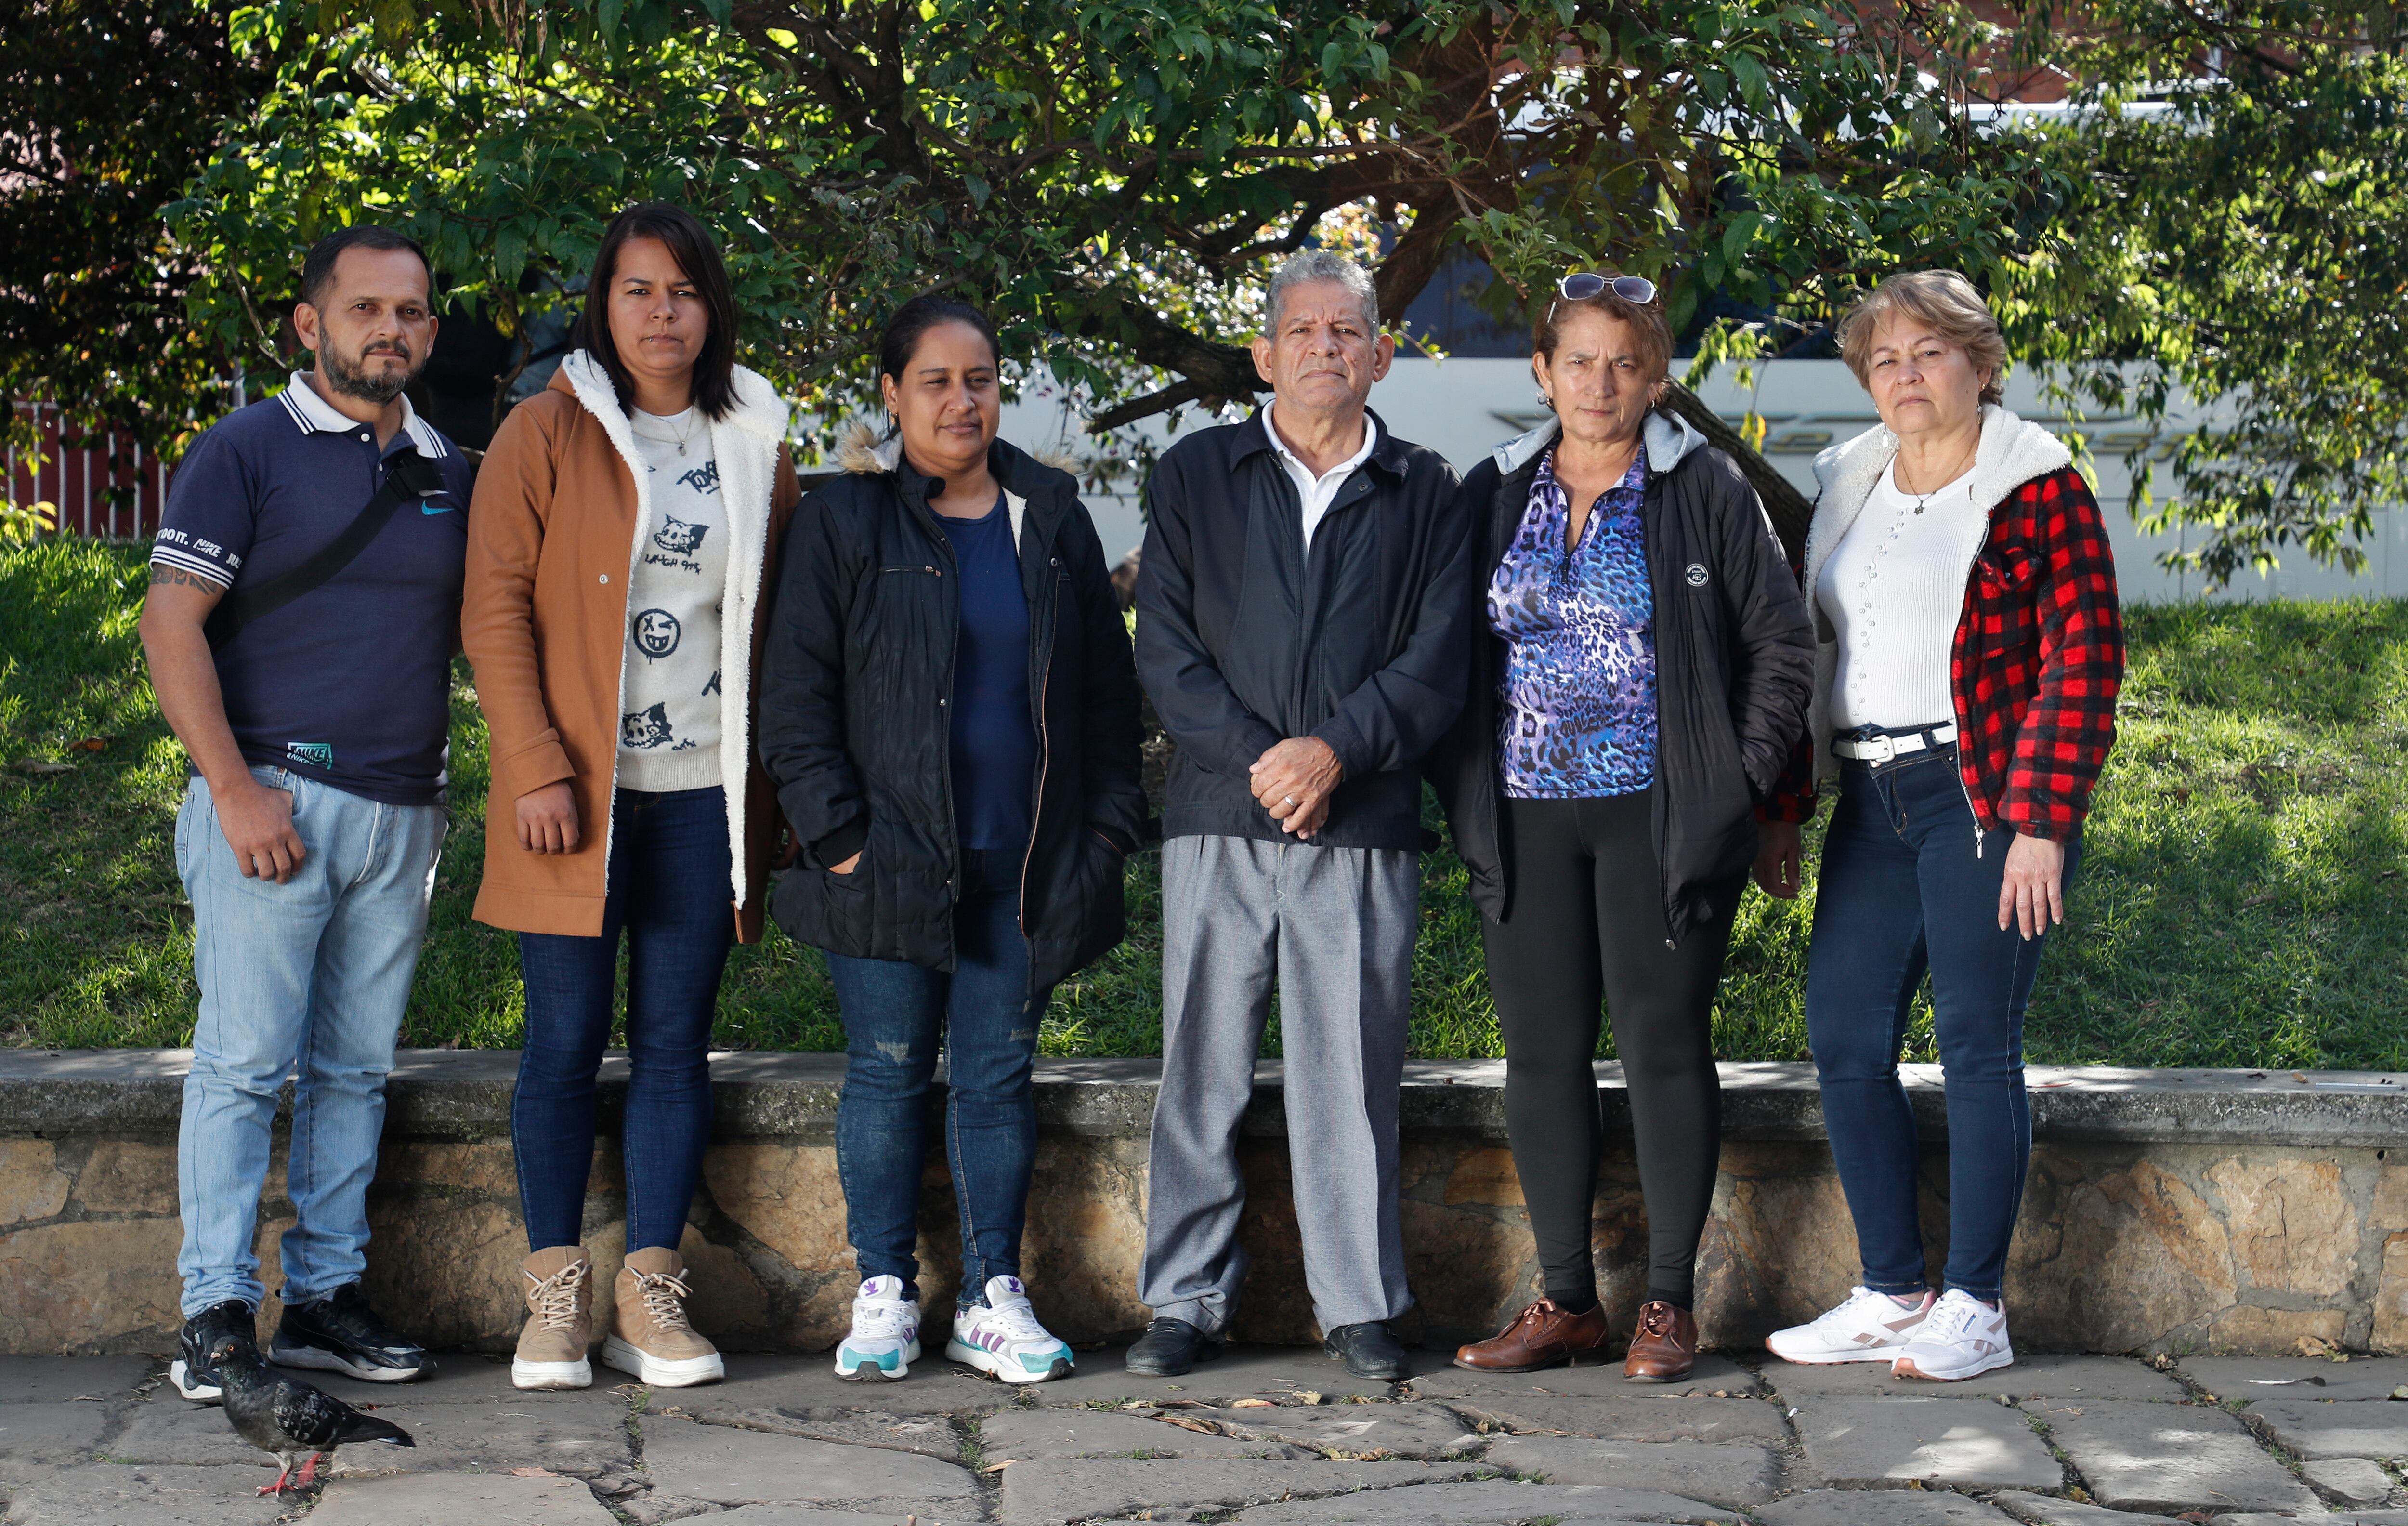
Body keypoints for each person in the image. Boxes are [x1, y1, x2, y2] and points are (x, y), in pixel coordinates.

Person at [1432, 272, 1814, 1381]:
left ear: (1655, 379)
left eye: (1624, 363)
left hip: (1659, 814)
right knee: (1541, 1054)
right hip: (1522, 813)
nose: (1599, 383)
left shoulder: (1703, 488)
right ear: (1542, 373)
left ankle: (1666, 1305)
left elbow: (1782, 644)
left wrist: (1731, 782)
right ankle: (1564, 1302)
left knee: (1661, 1046)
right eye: (1578, 361)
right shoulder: (1493, 492)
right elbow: (1444, 648)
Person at [758, 296, 1145, 1384]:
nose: (960, 401)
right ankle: (884, 1289)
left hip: (1024, 862)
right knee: (885, 1073)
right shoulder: (844, 519)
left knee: (995, 1076)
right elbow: (794, 698)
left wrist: (1102, 837)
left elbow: (1107, 698)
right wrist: (841, 839)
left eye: (980, 379)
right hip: (884, 860)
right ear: (893, 394)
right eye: (935, 380)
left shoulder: (1050, 518)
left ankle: (989, 1296)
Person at [1757, 270, 2122, 1381]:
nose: (1904, 374)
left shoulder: (2035, 486)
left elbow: (2083, 656)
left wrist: (2040, 821)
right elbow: (1810, 650)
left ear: (1980, 363)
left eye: (1928, 352)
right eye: (1884, 359)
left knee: (1975, 1041)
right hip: (1870, 797)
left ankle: (1975, 1306)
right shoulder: (1850, 482)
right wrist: (1786, 804)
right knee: (1844, 1036)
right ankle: (1890, 1290)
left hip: (1983, 794)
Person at [462, 202, 800, 1391]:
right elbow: (493, 610)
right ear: (603, 304)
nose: (663, 313)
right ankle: (553, 1296)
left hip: (705, 799)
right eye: (638, 290)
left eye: (685, 291)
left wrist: (780, 795)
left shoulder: (755, 437)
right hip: (575, 802)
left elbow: (780, 626)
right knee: (561, 1045)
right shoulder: (544, 431)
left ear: (714, 308)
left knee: (672, 1047)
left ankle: (650, 1291)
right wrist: (534, 765)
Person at [1128, 249, 1476, 1380]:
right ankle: (1182, 1301)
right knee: (1200, 1070)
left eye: (1347, 331)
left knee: (1351, 1080)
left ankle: (1359, 1305)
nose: (1326, 348)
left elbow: (1438, 660)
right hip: (1217, 817)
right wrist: (1262, 763)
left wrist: (1333, 754)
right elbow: (1165, 648)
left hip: (1360, 824)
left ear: (1382, 355)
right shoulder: (1197, 474)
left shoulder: (1426, 488)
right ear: (1264, 354)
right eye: (1304, 330)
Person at [142, 225, 471, 1402]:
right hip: (271, 801)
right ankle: (216, 1314)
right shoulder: (245, 448)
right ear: (310, 323)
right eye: (365, 308)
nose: (391, 329)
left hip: (403, 814)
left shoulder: (453, 468)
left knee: (354, 1072)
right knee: (242, 1065)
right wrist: (233, 789)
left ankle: (326, 1297)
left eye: (411, 311)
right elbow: (170, 624)